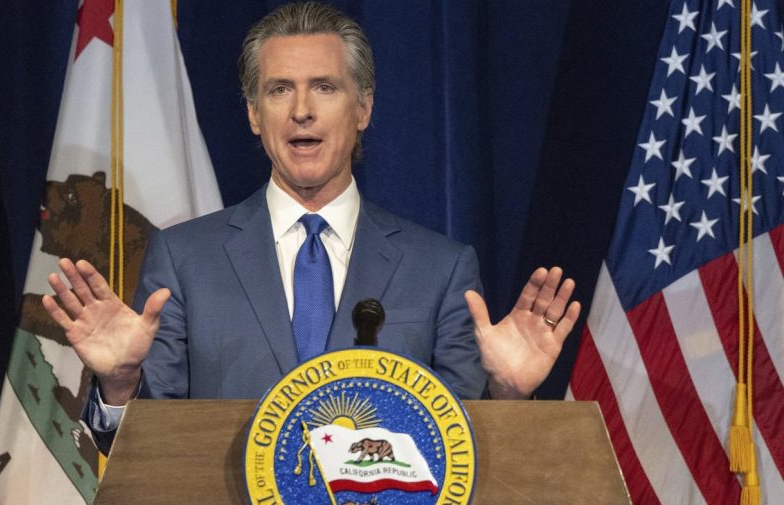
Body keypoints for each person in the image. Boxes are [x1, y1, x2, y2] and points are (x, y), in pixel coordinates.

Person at [43, 2, 580, 453]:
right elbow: (148, 452)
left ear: (363, 108)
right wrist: (118, 384)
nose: (301, 110)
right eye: (279, 90)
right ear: (254, 114)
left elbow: (463, 449)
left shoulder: (441, 268)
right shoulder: (185, 259)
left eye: (324, 87)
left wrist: (508, 395)